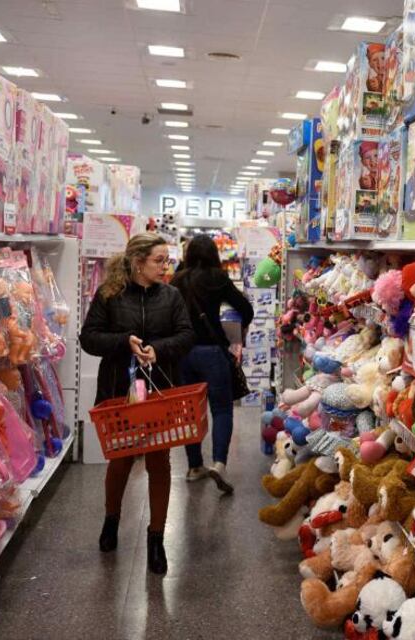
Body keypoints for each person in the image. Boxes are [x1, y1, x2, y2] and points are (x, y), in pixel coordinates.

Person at [80, 232, 194, 575]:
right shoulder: (110, 295)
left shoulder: (172, 296)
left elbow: (187, 335)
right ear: (137, 261)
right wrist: (124, 342)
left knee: (160, 461)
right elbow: (89, 338)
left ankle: (156, 539)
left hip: (160, 389)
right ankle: (111, 519)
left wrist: (158, 350)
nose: (165, 266)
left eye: (167, 259)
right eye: (159, 260)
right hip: (120, 389)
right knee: (121, 459)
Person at [172, 234, 254, 494]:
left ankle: (195, 466)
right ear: (213, 254)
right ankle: (218, 463)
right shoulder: (217, 278)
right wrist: (236, 329)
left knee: (190, 411)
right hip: (212, 351)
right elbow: (245, 308)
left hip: (182, 352)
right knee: (221, 409)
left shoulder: (177, 279)